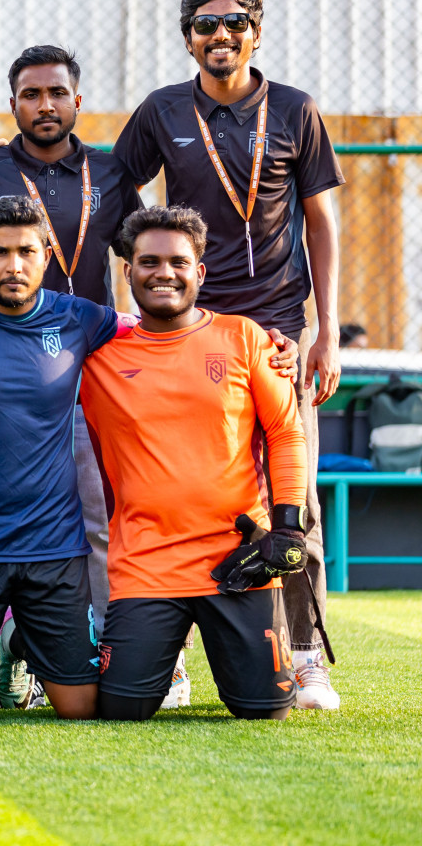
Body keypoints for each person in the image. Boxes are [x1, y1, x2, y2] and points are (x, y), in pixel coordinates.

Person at [111, 0, 344, 709]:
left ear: (257, 30)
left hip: (274, 330)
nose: (222, 35)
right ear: (188, 38)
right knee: (170, 489)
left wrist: (326, 329)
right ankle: (169, 657)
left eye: (235, 22)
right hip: (188, 333)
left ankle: (305, 656)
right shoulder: (161, 111)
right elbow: (108, 191)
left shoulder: (298, 111)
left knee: (292, 493)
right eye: (206, 24)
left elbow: (321, 223)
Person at [0, 44, 145, 705]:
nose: (45, 105)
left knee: (99, 521)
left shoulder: (112, 174)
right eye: (31, 94)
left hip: (91, 365)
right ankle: (20, 651)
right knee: (11, 521)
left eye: (57, 93)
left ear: (77, 101)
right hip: (1, 365)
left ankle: (113, 652)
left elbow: (145, 259)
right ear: (13, 104)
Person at [81, 205, 305, 721]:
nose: (164, 273)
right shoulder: (97, 356)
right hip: (145, 564)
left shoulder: (246, 339)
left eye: (178, 262)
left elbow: (287, 431)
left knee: (265, 710)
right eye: (149, 262)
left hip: (239, 557)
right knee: (121, 710)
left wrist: (288, 528)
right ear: (128, 271)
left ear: (199, 271)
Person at [0, 196, 121, 721]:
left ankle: (19, 641)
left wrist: (263, 341)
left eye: (27, 252)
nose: (14, 266)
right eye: (0, 253)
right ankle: (12, 639)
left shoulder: (80, 317)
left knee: (80, 709)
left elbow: (160, 325)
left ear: (48, 254)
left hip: (53, 546)